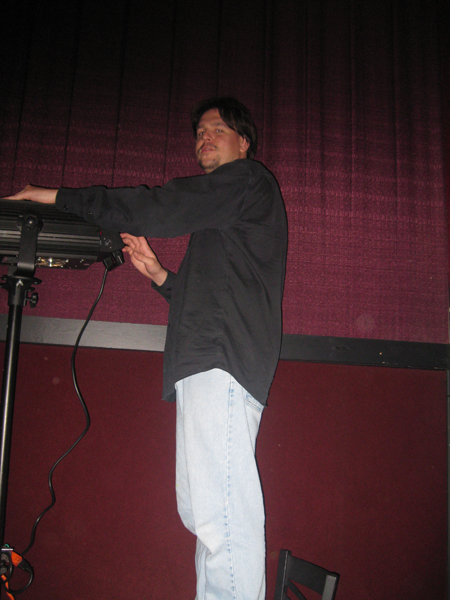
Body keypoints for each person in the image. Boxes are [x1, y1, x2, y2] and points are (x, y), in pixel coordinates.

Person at [6, 97, 287, 600]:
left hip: (220, 363)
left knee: (222, 518)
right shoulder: (230, 214)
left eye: (217, 129)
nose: (204, 137)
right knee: (204, 513)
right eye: (199, 131)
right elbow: (210, 298)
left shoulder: (246, 180)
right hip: (210, 361)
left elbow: (159, 206)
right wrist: (160, 275)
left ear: (244, 142)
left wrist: (56, 196)